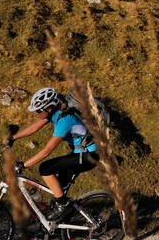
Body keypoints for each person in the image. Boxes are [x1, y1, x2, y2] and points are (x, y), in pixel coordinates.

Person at [7, 87, 98, 223]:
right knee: (57, 192)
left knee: (45, 168)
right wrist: (13, 138)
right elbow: (34, 127)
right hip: (79, 155)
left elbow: (47, 150)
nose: (37, 113)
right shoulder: (55, 115)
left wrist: (23, 165)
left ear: (49, 108)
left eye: (39, 110)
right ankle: (60, 220)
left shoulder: (64, 120)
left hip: (87, 157)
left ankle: (62, 205)